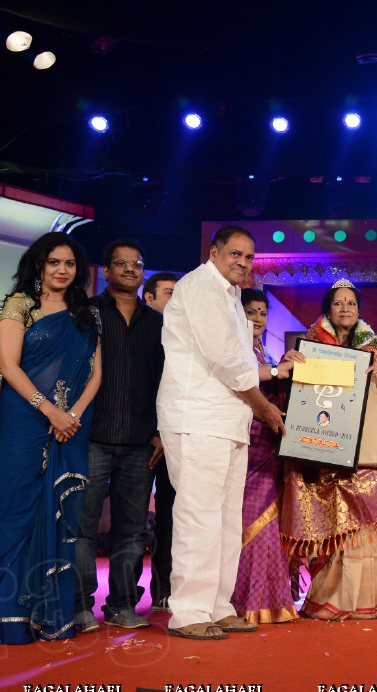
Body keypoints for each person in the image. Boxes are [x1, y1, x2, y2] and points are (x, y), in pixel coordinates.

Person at [156, 225, 285, 639]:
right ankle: (189, 612)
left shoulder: (230, 296)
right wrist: (264, 408)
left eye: (248, 258)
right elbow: (227, 361)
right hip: (197, 417)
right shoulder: (200, 288)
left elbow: (242, 365)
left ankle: (218, 606)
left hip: (228, 421)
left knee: (227, 519)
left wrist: (278, 372)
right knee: (199, 516)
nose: (242, 263)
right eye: (234, 254)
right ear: (214, 252)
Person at [0, 232, 102, 644]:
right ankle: (11, 619)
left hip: (71, 426)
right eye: (54, 263)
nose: (62, 270)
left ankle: (53, 615)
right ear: (39, 266)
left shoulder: (87, 314)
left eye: (69, 264)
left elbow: (96, 374)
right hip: (22, 420)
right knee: (18, 512)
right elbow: (10, 366)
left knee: (64, 516)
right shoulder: (21, 306)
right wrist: (50, 411)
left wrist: (73, 416)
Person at [281, 279, 377, 620]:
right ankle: (329, 599)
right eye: (338, 303)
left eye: (351, 304)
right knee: (329, 524)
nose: (345, 309)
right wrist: (290, 364)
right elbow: (295, 393)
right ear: (327, 309)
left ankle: (367, 601)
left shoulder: (371, 346)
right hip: (323, 453)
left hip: (366, 454)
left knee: (367, 521)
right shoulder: (311, 345)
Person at [74, 240, 165, 633]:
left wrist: (162, 431)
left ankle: (122, 604)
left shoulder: (159, 323)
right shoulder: (85, 315)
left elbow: (169, 382)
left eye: (136, 263)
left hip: (142, 441)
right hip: (91, 435)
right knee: (83, 526)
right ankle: (78, 606)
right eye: (121, 263)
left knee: (132, 529)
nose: (129, 268)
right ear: (106, 270)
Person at [231, 288, 299, 624]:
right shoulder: (234, 347)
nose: (257, 319)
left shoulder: (262, 351)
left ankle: (267, 599)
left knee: (269, 522)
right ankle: (243, 599)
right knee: (245, 520)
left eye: (262, 313)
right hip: (243, 444)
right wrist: (278, 371)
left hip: (269, 446)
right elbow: (240, 381)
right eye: (250, 312)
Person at [142, 271, 177, 612]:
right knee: (134, 520)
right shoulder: (140, 334)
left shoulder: (182, 335)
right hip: (139, 439)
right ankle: (120, 596)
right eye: (169, 294)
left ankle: (163, 589)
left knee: (170, 517)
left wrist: (167, 432)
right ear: (148, 298)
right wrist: (154, 431)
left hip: (173, 438)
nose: (175, 300)